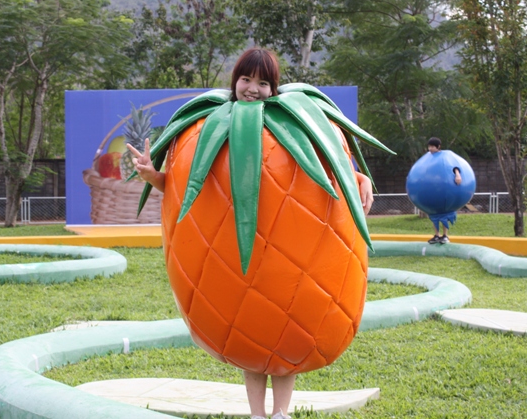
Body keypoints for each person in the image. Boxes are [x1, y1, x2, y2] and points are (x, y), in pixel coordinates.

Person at [127, 47, 373, 419]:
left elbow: (324, 177)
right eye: (246, 80)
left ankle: (281, 413)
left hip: (284, 264)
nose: (253, 89)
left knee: (287, 343)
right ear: (234, 81)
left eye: (263, 82)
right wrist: (152, 176)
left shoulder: (298, 128)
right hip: (235, 259)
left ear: (274, 88)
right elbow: (188, 189)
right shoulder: (206, 131)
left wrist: (361, 177)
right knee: (249, 336)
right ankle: (258, 414)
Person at [426, 137, 461, 244]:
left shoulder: (446, 156)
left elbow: (454, 166)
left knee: (445, 213)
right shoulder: (428, 158)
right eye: (429, 146)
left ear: (438, 147)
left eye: (432, 147)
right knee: (435, 214)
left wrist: (457, 175)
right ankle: (437, 235)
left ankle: (445, 235)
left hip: (447, 190)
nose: (430, 149)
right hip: (434, 191)